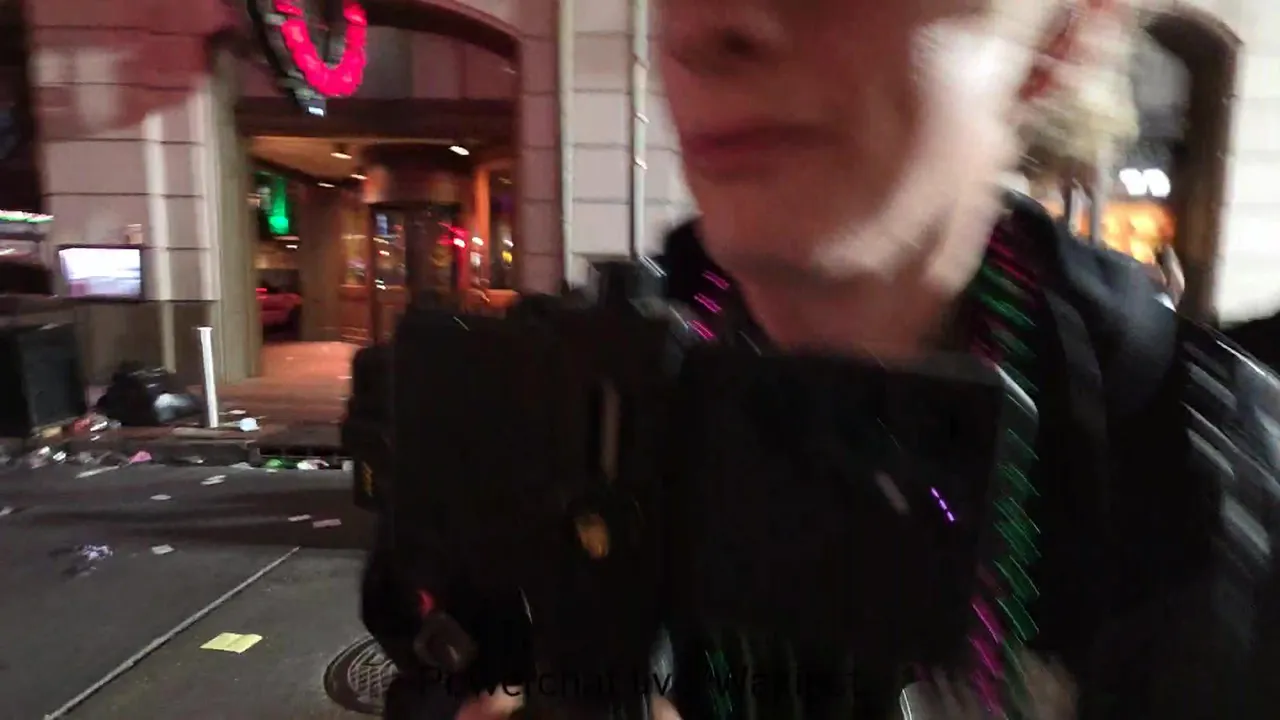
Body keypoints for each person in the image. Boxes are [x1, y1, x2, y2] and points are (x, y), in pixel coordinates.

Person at [364, 0, 1280, 717]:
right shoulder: (555, 394)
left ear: (1061, 33)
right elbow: (439, 667)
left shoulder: (1210, 500)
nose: (703, 27)